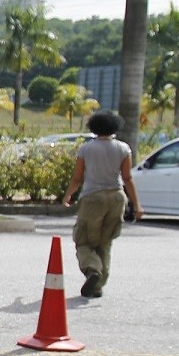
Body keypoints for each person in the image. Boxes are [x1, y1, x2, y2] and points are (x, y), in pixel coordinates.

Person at [61, 110, 143, 297]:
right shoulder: (123, 148)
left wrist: (68, 196)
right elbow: (127, 177)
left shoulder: (86, 149)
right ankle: (98, 285)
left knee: (84, 240)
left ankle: (92, 270)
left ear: (93, 127)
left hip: (92, 198)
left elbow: (78, 177)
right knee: (105, 242)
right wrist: (137, 205)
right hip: (116, 197)